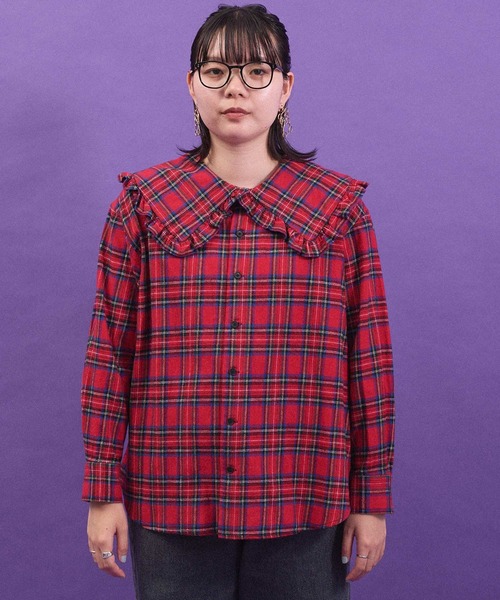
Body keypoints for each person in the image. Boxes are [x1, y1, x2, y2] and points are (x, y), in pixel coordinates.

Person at [81, 4, 395, 599]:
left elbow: (369, 363)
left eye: (256, 71)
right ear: (191, 84)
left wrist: (371, 498)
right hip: (172, 497)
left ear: (285, 87)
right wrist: (102, 491)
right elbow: (108, 355)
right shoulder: (142, 207)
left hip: (304, 495)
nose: (235, 89)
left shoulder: (339, 211)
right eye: (216, 71)